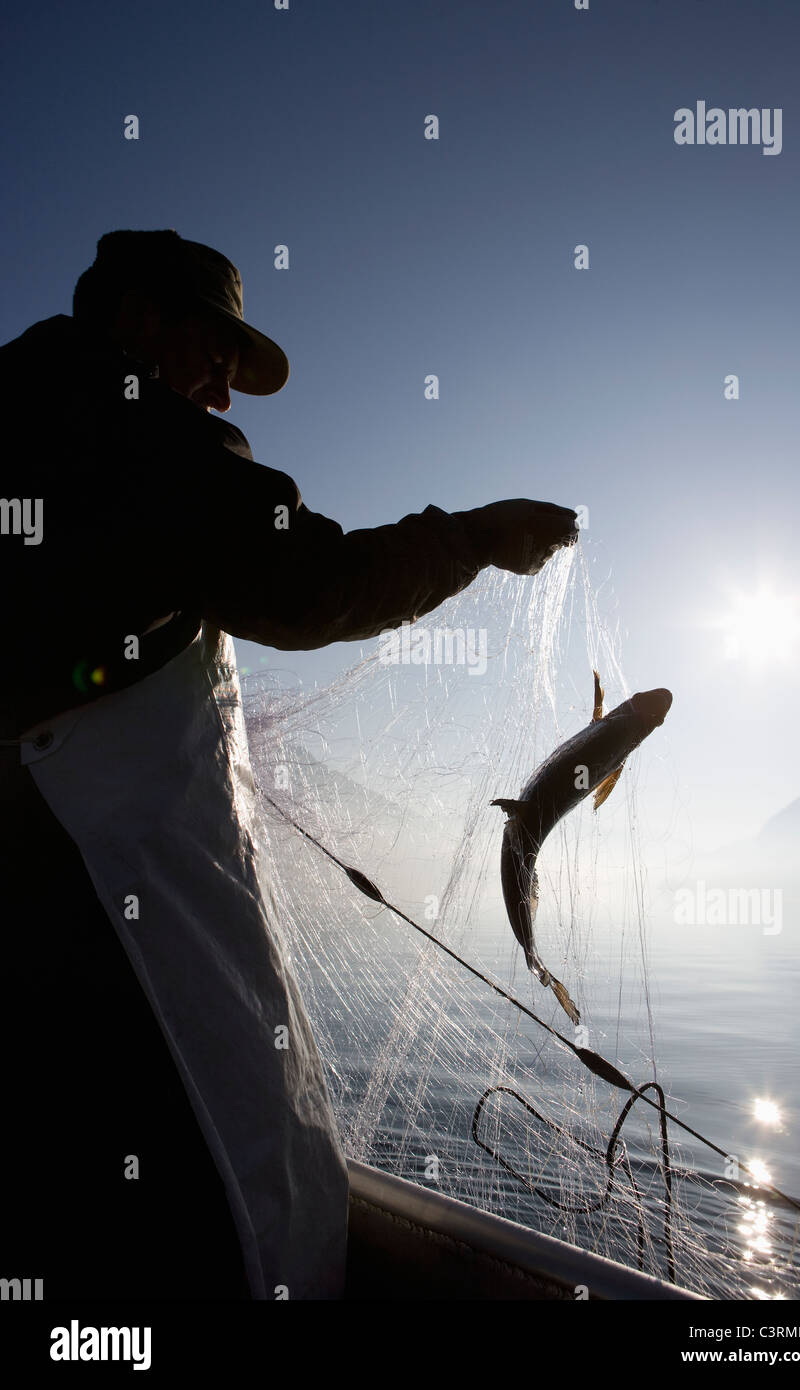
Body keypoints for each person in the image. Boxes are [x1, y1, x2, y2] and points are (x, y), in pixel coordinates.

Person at [0, 229, 577, 1300]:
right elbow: (313, 583)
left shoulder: (18, 399)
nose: (221, 395)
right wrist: (470, 536)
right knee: (216, 1171)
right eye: (212, 354)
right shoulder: (138, 430)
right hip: (111, 904)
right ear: (135, 322)